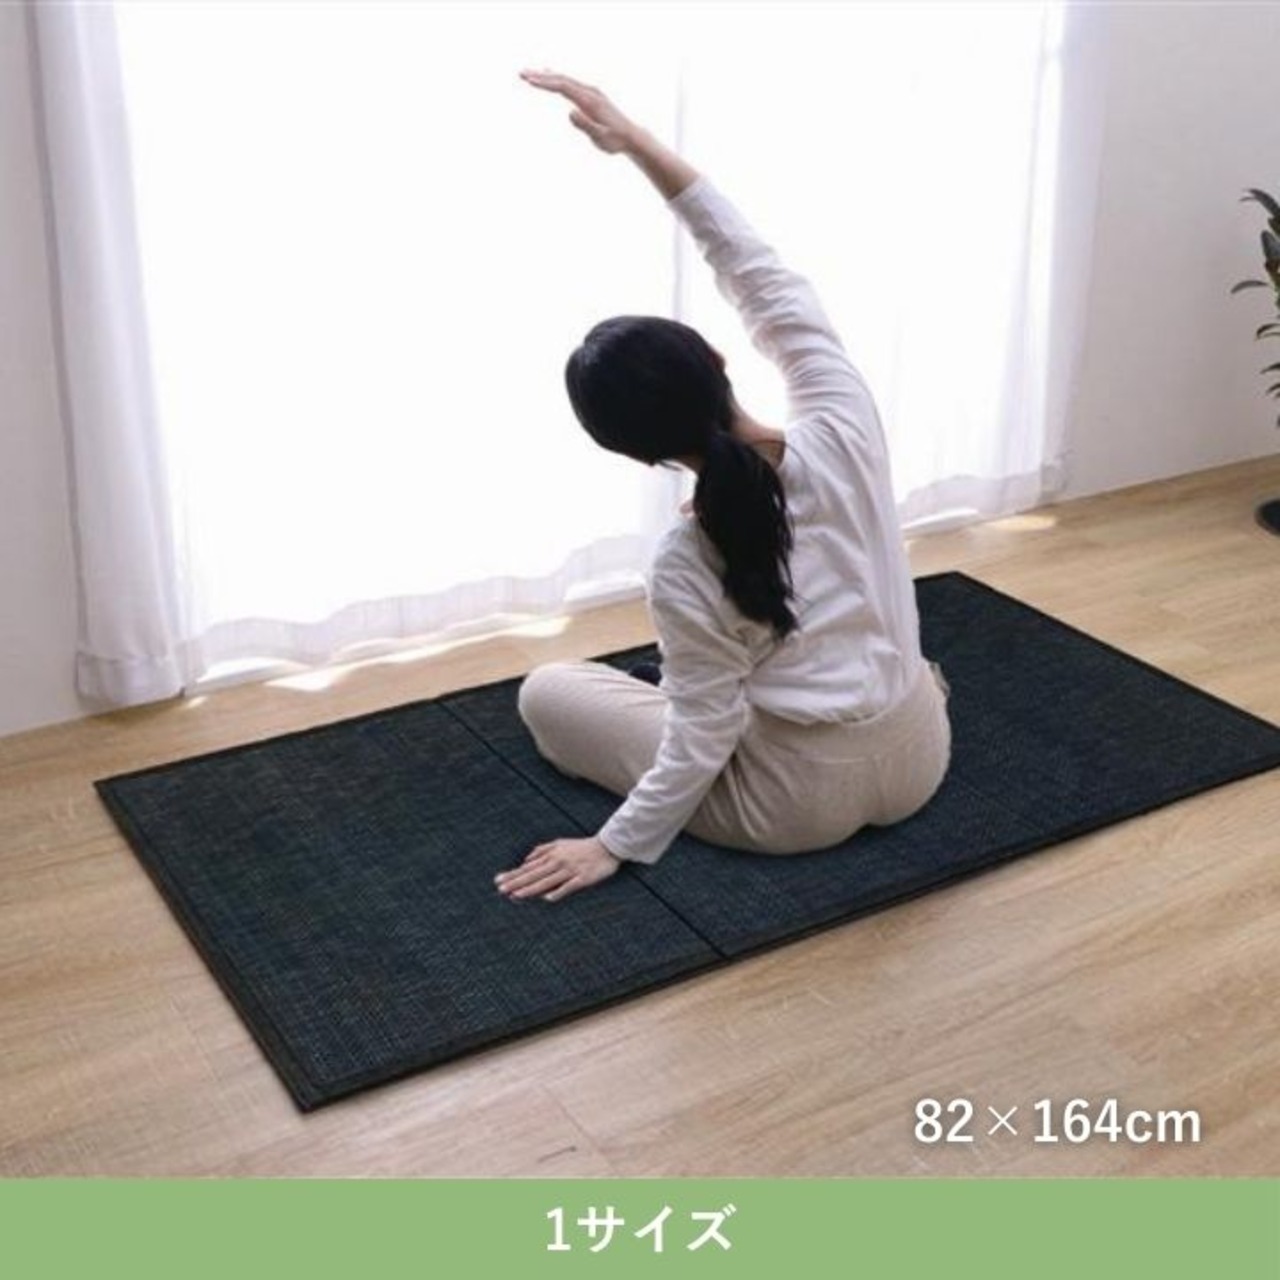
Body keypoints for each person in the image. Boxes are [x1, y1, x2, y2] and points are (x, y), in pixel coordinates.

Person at [495, 69, 951, 904]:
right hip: (921, 757)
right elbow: (756, 270)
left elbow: (704, 733)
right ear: (716, 358)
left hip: (791, 809)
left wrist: (614, 844)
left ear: (639, 456)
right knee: (809, 648)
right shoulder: (845, 425)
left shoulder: (682, 560)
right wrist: (635, 142)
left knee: (550, 691)